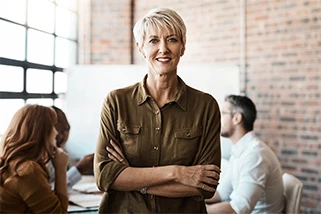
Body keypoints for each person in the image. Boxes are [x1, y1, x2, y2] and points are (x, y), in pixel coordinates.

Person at [94, 7, 221, 213]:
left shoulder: (205, 106)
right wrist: (179, 173)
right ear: (141, 47)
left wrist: (133, 178)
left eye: (172, 39)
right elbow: (104, 176)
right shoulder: (116, 102)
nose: (163, 49)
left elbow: (205, 186)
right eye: (153, 41)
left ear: (183, 46)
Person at [205, 94, 284, 214]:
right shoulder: (240, 150)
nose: (217, 118)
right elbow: (222, 193)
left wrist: (198, 210)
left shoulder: (255, 155)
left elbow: (238, 209)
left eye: (222, 113)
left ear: (237, 118)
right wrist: (188, 200)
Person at [0, 104, 69, 213]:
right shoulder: (28, 170)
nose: (56, 132)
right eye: (53, 126)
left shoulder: (12, 163)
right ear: (41, 131)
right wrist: (61, 169)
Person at [50, 106, 94, 188]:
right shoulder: (35, 162)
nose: (60, 135)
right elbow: (49, 192)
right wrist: (78, 169)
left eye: (66, 128)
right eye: (59, 129)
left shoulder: (59, 152)